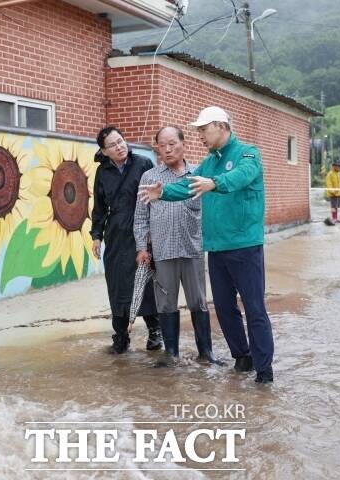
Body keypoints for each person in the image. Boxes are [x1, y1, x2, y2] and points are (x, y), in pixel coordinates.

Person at [139, 106, 275, 384]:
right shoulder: (209, 161)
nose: (199, 134)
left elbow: (242, 176)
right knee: (224, 308)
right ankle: (242, 356)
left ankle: (264, 370)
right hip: (216, 248)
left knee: (254, 308)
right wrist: (163, 192)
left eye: (203, 129)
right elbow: (188, 186)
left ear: (220, 126)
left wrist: (215, 183)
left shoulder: (248, 153)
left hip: (245, 245)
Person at [134, 126, 222, 367]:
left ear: (184, 144)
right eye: (162, 145)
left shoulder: (199, 175)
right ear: (157, 149)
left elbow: (213, 212)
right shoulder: (150, 178)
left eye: (172, 143)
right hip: (162, 252)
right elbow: (141, 217)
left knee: (199, 301)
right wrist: (142, 248)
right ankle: (171, 354)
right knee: (165, 303)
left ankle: (206, 353)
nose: (168, 149)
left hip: (193, 249)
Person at [90, 126, 162, 354]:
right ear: (104, 150)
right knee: (118, 284)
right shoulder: (103, 173)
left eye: (120, 141)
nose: (119, 147)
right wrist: (97, 236)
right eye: (112, 145)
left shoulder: (143, 163)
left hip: (143, 230)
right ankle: (121, 335)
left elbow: (158, 199)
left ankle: (155, 331)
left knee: (146, 281)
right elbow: (100, 208)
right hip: (117, 234)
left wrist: (154, 229)